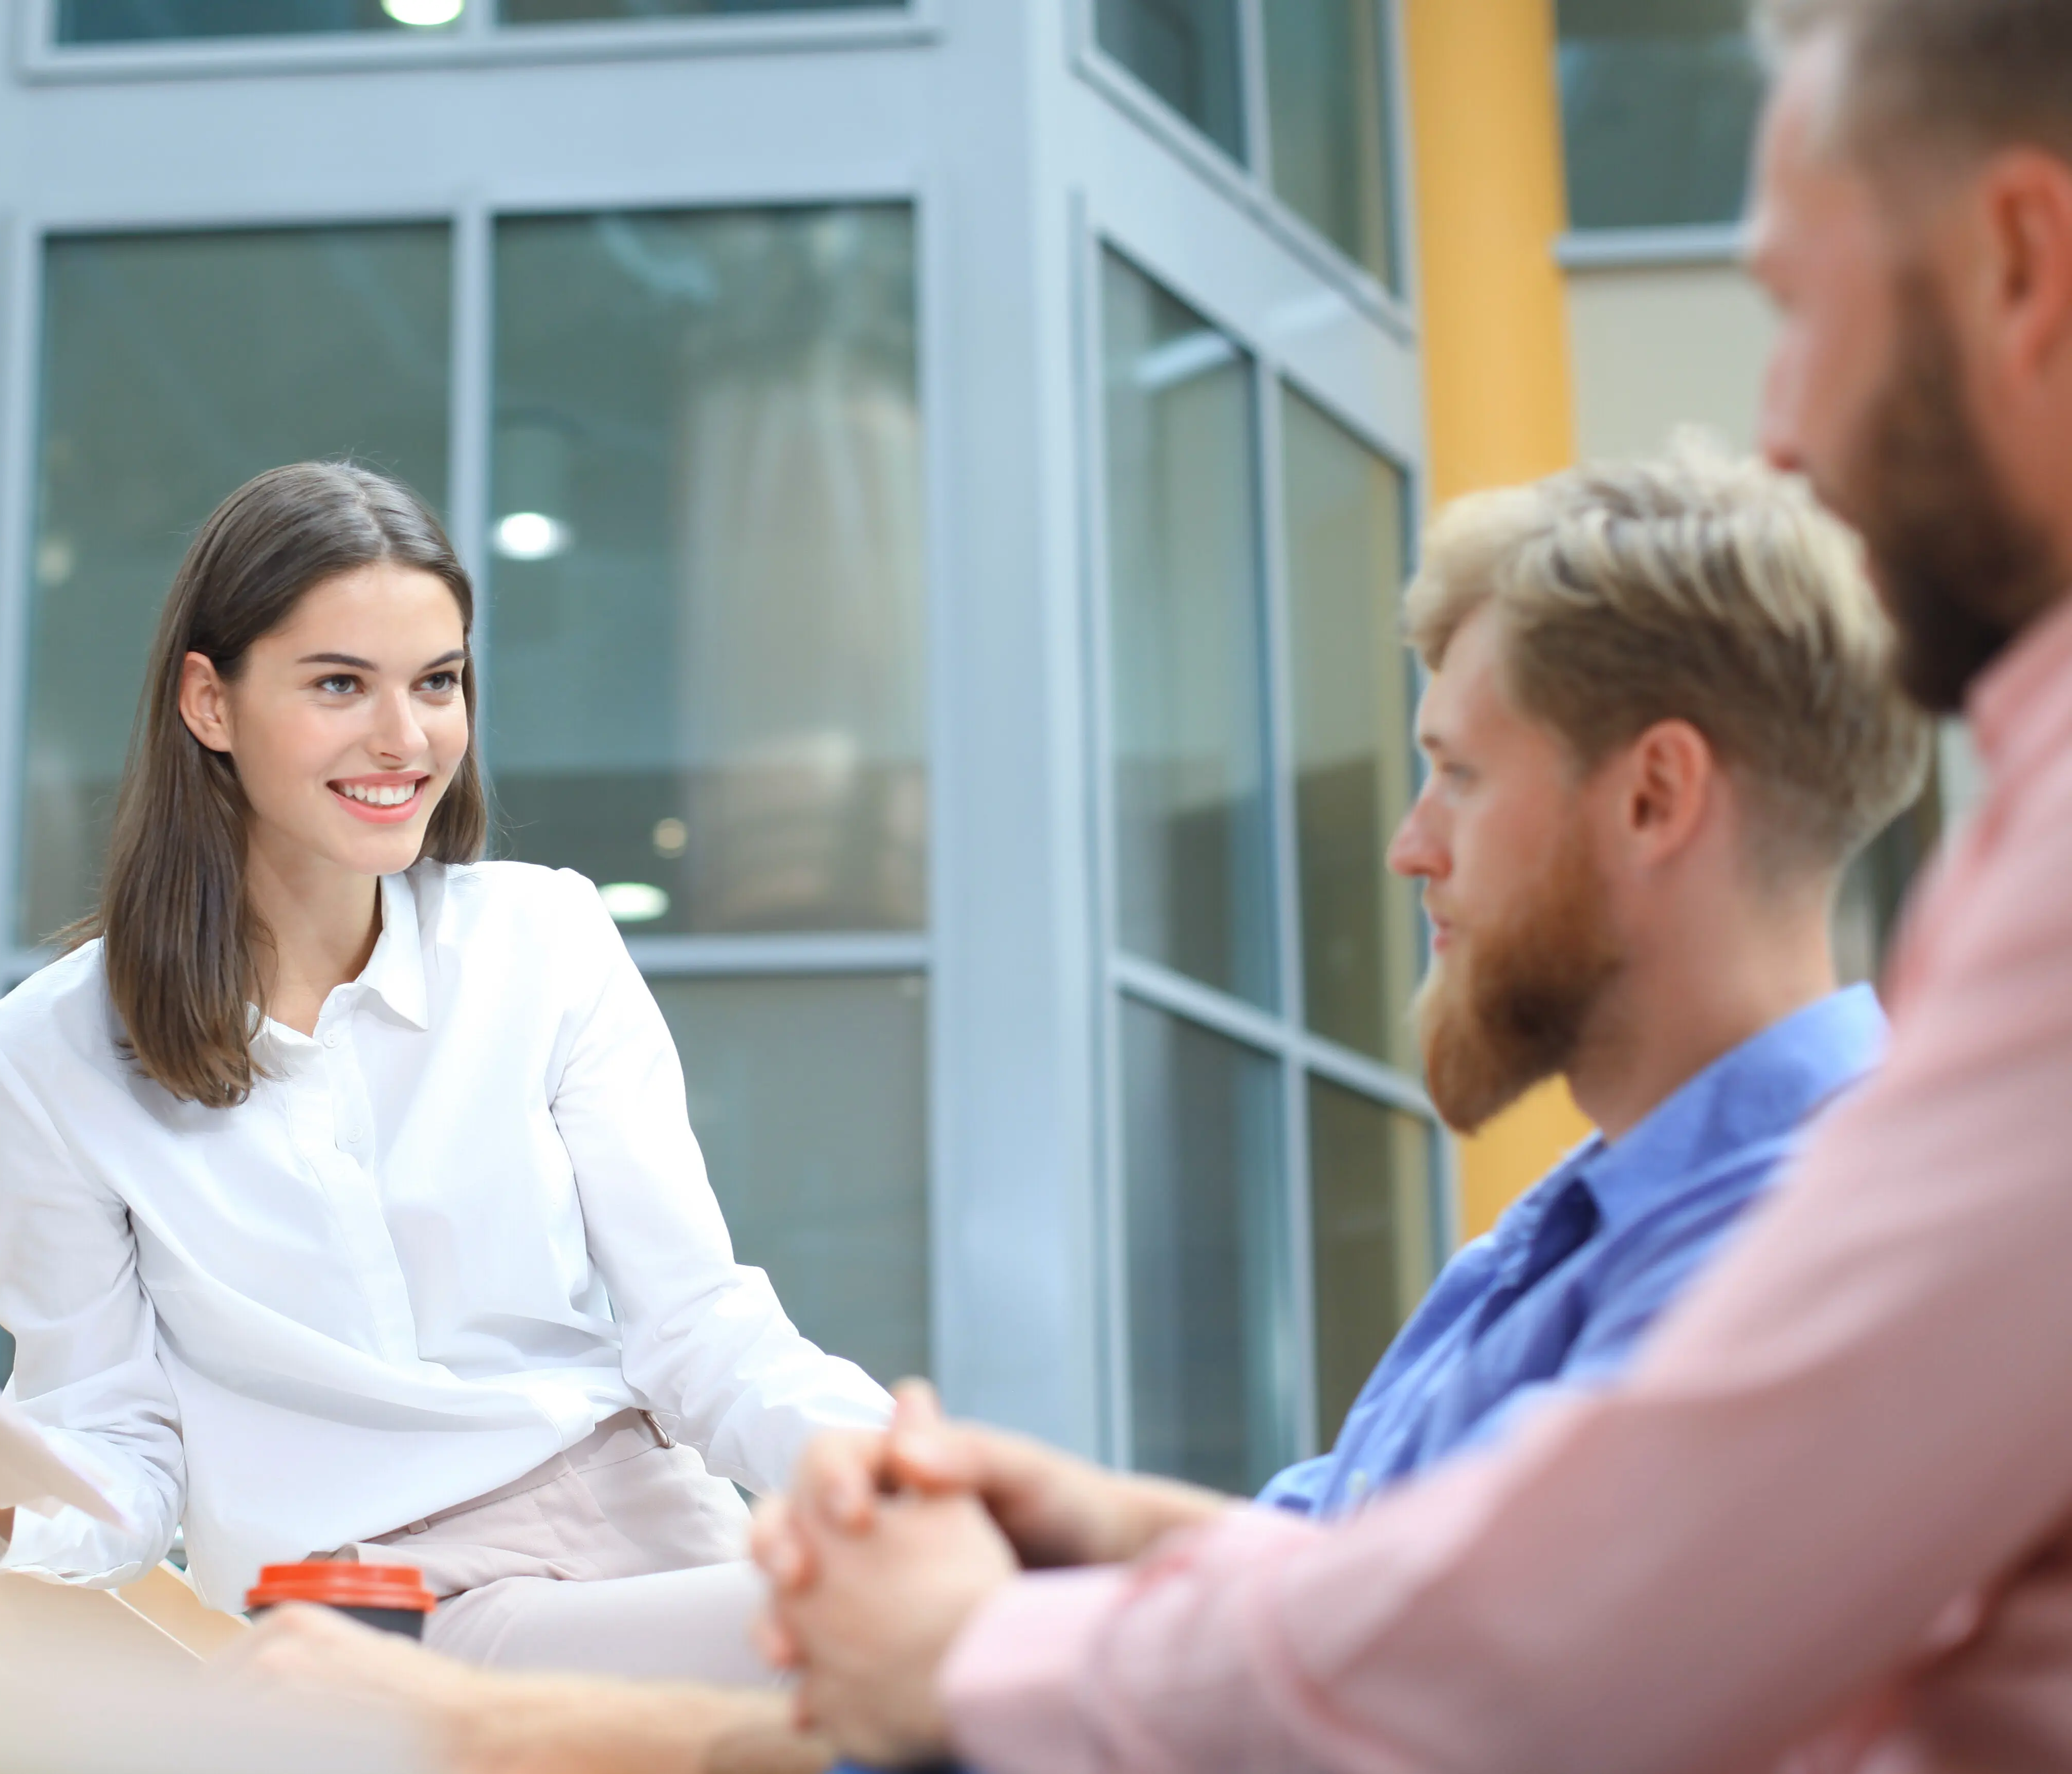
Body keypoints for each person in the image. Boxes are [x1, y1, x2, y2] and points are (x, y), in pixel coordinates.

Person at [762, 2, 2072, 1768]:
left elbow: (1591, 1640)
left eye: (1788, 305)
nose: (1778, 421)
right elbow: (1422, 1579)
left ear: (2016, 260)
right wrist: (1085, 1521)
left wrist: (975, 1657)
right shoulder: (1567, 1217)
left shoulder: (1791, 1176)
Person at [229, 439, 1929, 1771]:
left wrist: (513, 1730)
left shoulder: (1789, 1267)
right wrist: (1084, 1512)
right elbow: (1359, 1578)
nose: (1407, 842)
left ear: (1650, 795)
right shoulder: (1583, 1222)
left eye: (1459, 776)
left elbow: (1423, 1712)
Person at [0, 461, 890, 1680]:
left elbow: (701, 1329)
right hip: (372, 1607)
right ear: (208, 701)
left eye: (436, 683)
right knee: (904, 1656)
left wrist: (897, 1471)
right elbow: (124, 1456)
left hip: (641, 1533)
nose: (405, 738)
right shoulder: (43, 1059)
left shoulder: (542, 939)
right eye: (340, 684)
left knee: (964, 1622)